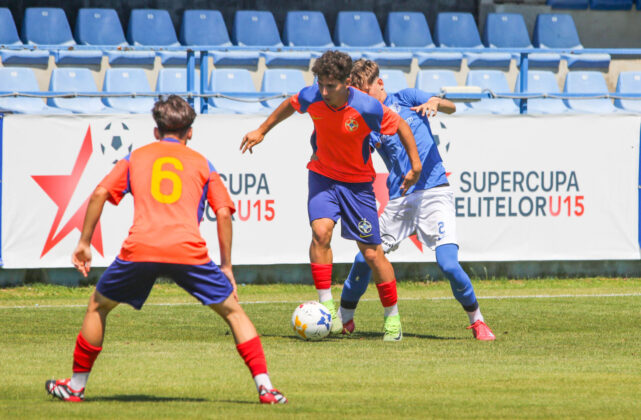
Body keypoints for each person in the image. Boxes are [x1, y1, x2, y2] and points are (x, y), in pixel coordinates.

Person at [45, 95, 287, 404]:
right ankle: (266, 388)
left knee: (98, 306)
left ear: (156, 131)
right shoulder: (203, 163)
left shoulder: (136, 158)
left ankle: (76, 387)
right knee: (234, 313)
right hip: (188, 251)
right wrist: (226, 266)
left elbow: (100, 192)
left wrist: (84, 242)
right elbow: (224, 213)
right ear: (190, 132)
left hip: (141, 249)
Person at [241, 51, 422, 341]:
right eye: (321, 84)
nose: (324, 92)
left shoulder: (366, 106)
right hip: (323, 176)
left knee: (372, 253)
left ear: (347, 82)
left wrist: (415, 165)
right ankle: (327, 310)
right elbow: (290, 105)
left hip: (358, 186)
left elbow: (400, 125)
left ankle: (392, 319)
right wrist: (261, 130)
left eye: (331, 86)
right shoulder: (313, 95)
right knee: (320, 233)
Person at [340, 59, 495, 341]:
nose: (363, 99)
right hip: (400, 199)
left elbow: (451, 106)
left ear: (380, 84)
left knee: (448, 264)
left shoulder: (407, 97)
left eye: (366, 91)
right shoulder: (369, 122)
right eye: (358, 94)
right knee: (364, 258)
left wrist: (436, 102)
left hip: (435, 193)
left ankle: (477, 321)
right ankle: (344, 318)